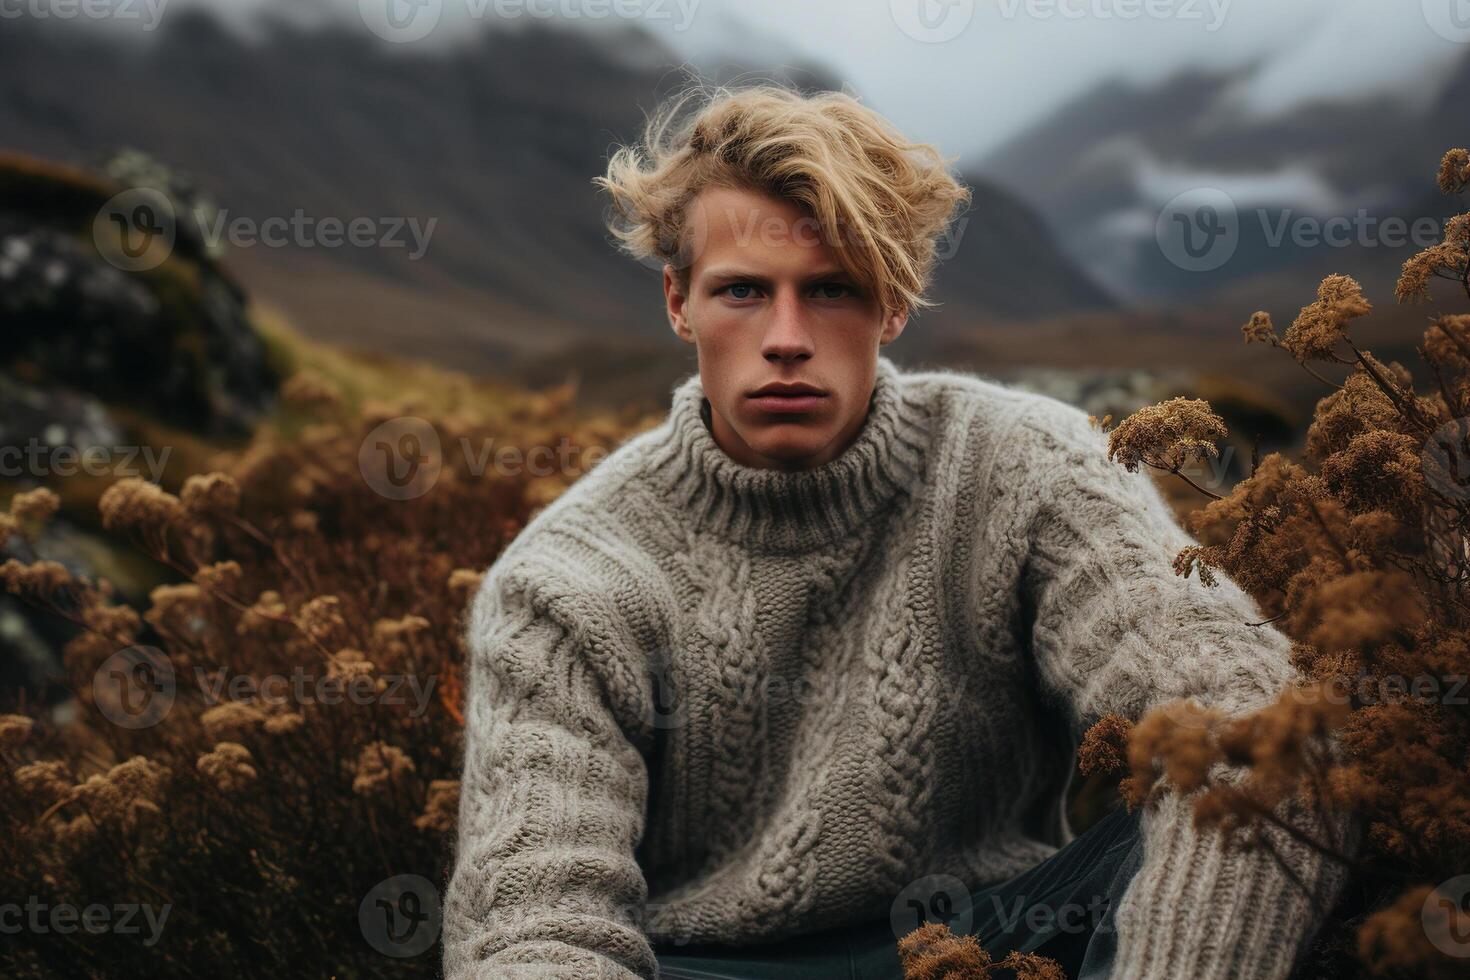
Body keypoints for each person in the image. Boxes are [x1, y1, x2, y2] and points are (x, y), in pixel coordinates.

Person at [441, 82, 1358, 980]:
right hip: (706, 967)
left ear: (894, 305)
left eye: (833, 290)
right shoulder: (564, 580)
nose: (788, 336)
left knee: (1251, 786)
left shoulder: (1021, 466)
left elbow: (1257, 724)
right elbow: (534, 922)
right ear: (679, 303)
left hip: (996, 942)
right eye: (744, 292)